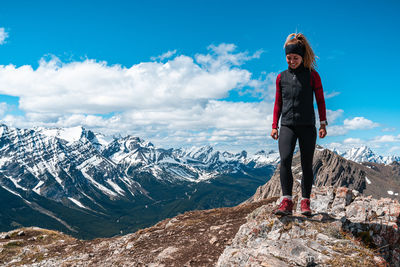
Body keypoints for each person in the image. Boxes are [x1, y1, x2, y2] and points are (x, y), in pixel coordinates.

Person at [271, 33, 327, 216]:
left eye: (295, 58)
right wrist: (274, 125)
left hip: (307, 126)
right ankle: (286, 201)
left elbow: (320, 100)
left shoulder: (312, 76)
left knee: (306, 164)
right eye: (289, 58)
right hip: (287, 124)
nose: (292, 61)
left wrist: (323, 123)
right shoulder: (281, 77)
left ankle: (305, 202)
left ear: (303, 57)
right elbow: (278, 103)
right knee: (285, 160)